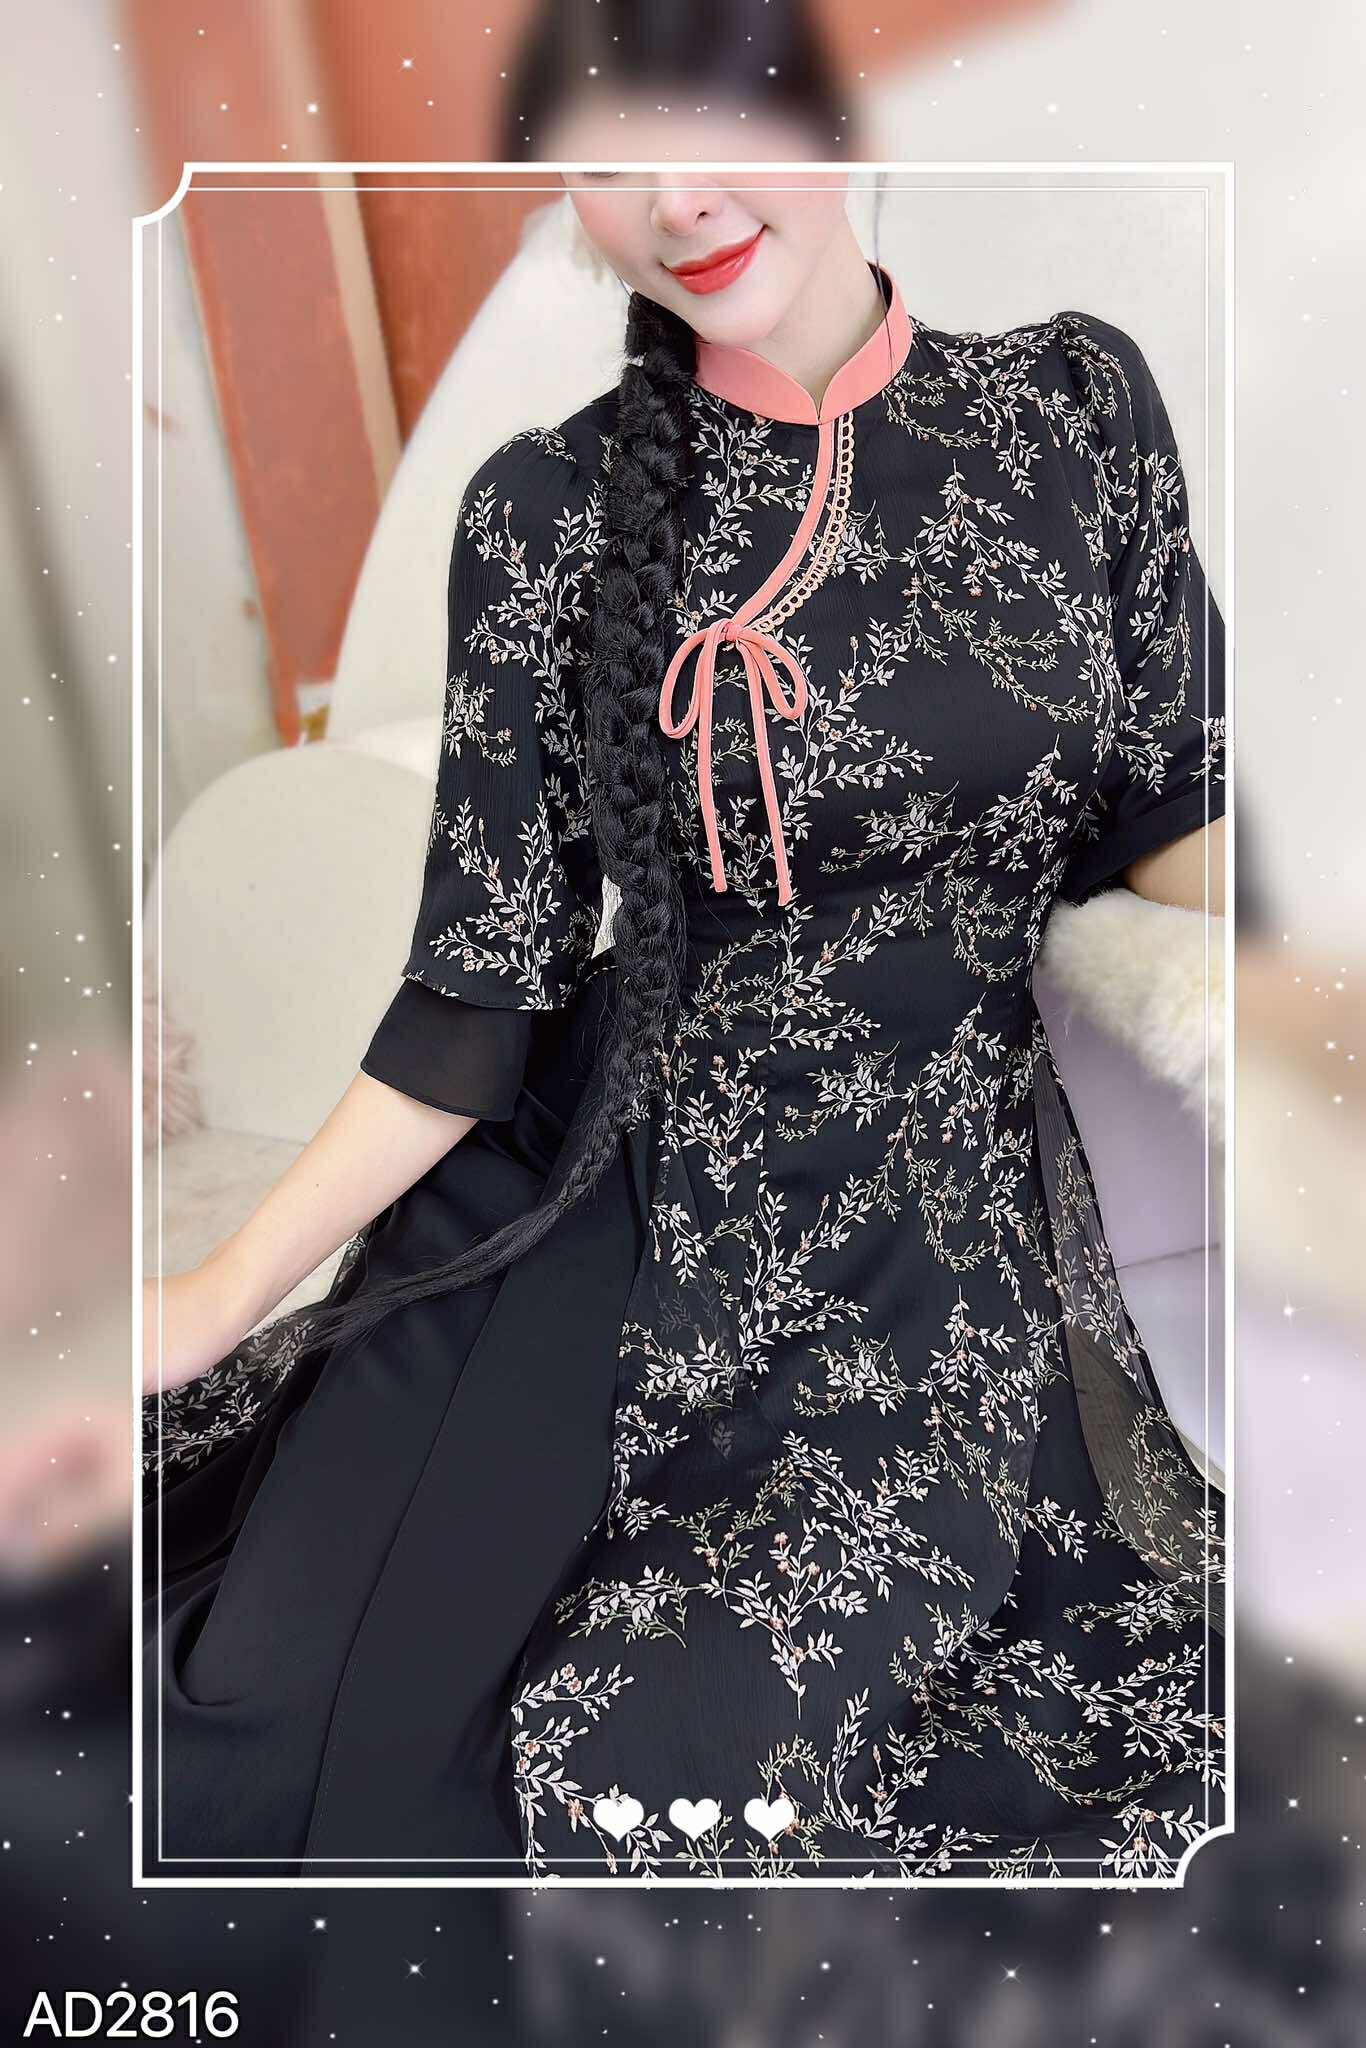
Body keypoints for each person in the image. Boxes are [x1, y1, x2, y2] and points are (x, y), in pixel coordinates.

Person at [142, 166, 1227, 1881]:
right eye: (609, 155)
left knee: (659, 1765)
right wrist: (212, 1293)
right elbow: (476, 986)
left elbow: (1175, 807)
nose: (675, 198)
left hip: (919, 1234)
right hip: (586, 1203)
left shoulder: (1070, 407)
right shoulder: (542, 506)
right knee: (262, 1748)